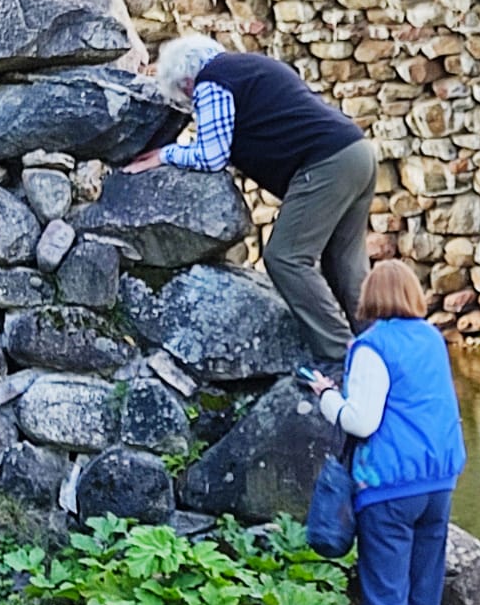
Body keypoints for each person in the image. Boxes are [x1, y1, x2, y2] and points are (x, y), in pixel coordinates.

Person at [125, 35, 377, 367]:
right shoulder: (252, 66)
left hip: (325, 164)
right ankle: (383, 350)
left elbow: (212, 155)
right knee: (345, 264)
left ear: (185, 82)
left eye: (186, 98)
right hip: (357, 151)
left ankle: (341, 357)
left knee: (286, 258)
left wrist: (165, 154)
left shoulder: (212, 81)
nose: (192, 104)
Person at [310, 260, 466, 605]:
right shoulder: (433, 340)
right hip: (438, 485)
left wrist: (326, 398)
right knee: (424, 601)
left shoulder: (372, 346)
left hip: (389, 491)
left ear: (371, 297)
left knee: (386, 604)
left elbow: (361, 421)